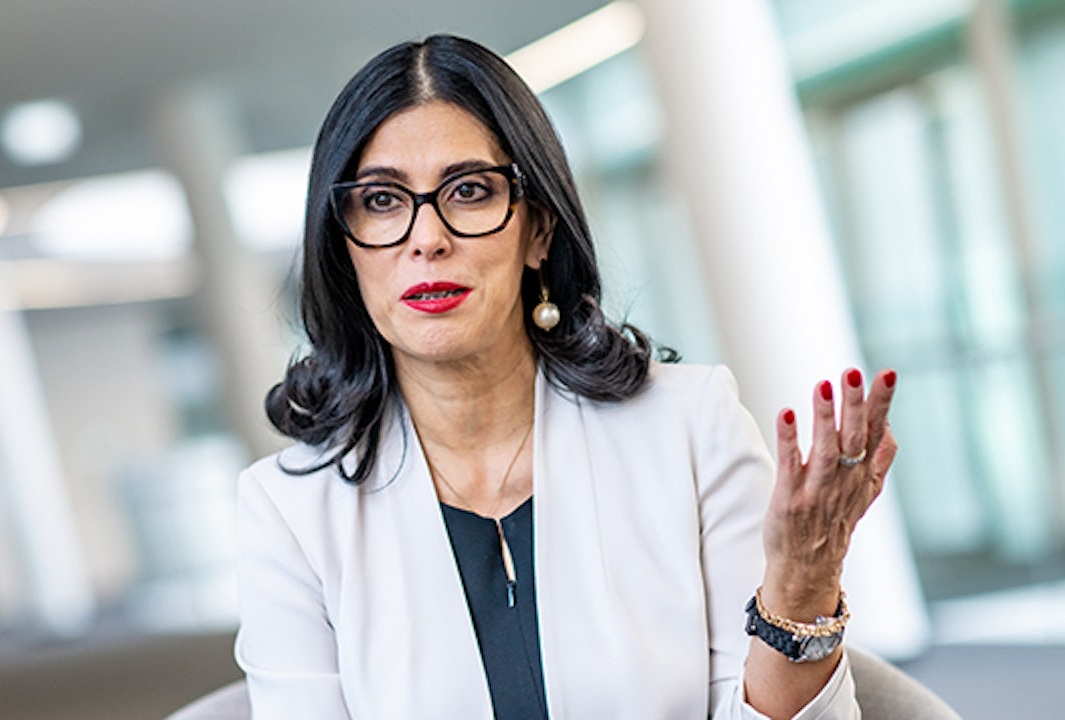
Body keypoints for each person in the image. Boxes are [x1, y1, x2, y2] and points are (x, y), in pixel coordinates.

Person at [233, 34, 897, 719]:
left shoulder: (691, 428)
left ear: (539, 229)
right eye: (381, 201)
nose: (426, 237)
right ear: (342, 243)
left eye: (468, 191)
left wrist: (797, 592)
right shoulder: (289, 513)